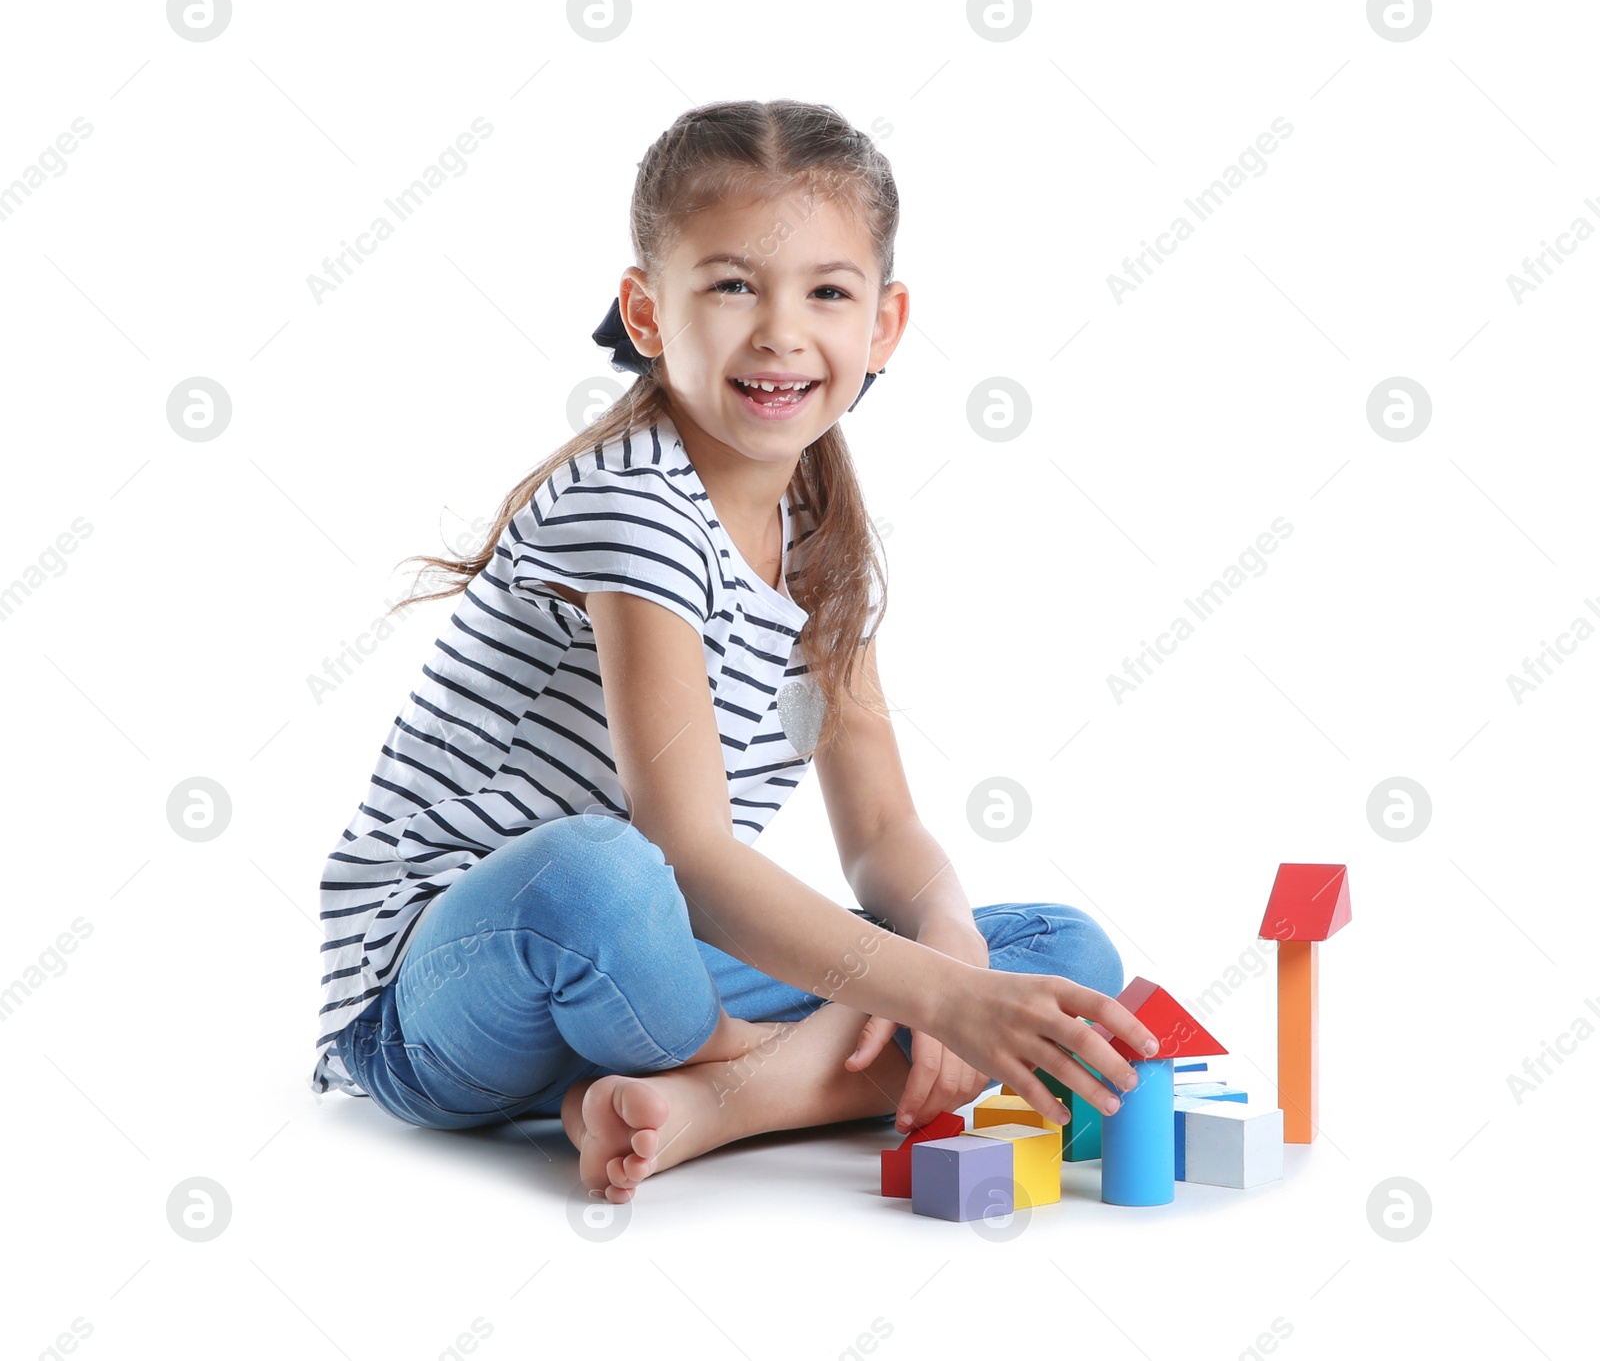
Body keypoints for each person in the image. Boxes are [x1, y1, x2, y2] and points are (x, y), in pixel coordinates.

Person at [311, 98, 1158, 1204]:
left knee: (1057, 958)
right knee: (604, 869)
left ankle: (702, 1103)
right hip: (456, 987)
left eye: (827, 292)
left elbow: (888, 831)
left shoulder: (819, 532)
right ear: (647, 311)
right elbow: (694, 858)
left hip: (654, 963)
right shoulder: (631, 505)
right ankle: (733, 1069)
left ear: (884, 325)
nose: (779, 330)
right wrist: (934, 1002)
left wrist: (950, 951)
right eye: (730, 284)